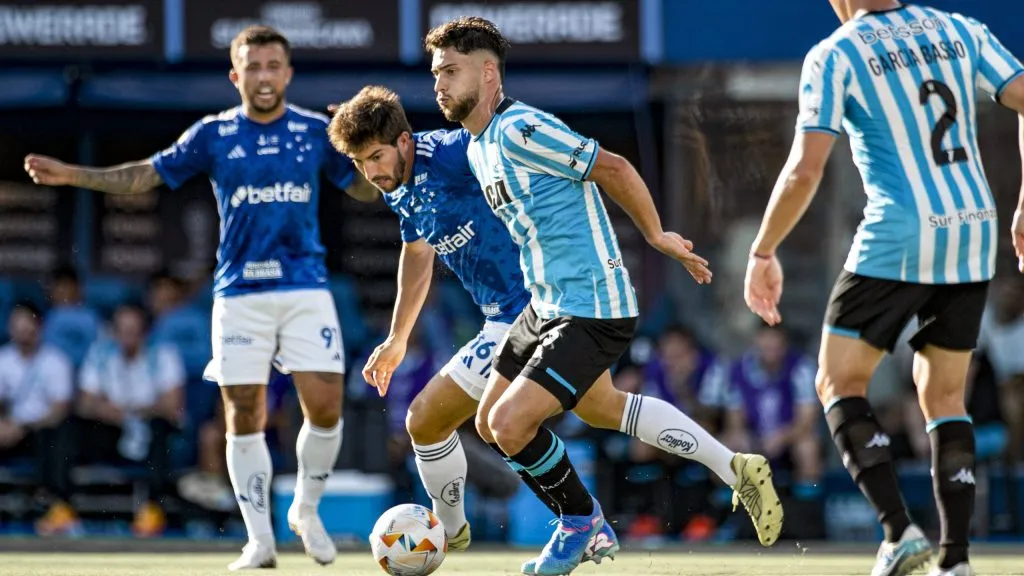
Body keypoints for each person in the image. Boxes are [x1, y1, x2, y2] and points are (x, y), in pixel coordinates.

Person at [328, 84, 783, 564]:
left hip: (528, 309)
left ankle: (455, 530)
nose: (371, 171)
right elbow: (416, 253)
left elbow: (535, 149)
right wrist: (398, 338)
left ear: (403, 141)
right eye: (359, 163)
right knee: (603, 408)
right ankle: (733, 467)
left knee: (428, 419)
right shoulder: (399, 187)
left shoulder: (456, 150)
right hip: (518, 314)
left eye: (375, 156)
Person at [23, 25, 378, 571]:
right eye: (253, 66)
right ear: (236, 76)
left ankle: (305, 511)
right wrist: (73, 174)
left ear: (288, 73)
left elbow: (362, 188)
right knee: (243, 414)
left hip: (305, 287)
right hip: (240, 294)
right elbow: (144, 176)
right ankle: (259, 540)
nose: (263, 76)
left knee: (325, 410)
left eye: (273, 65)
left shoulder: (316, 131)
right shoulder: (212, 135)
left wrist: (361, 147)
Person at [742, 2, 1024, 575]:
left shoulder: (836, 52)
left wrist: (763, 249)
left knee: (837, 380)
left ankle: (898, 532)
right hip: (972, 228)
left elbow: (804, 169)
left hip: (898, 233)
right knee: (945, 397)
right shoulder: (959, 28)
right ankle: (956, 561)